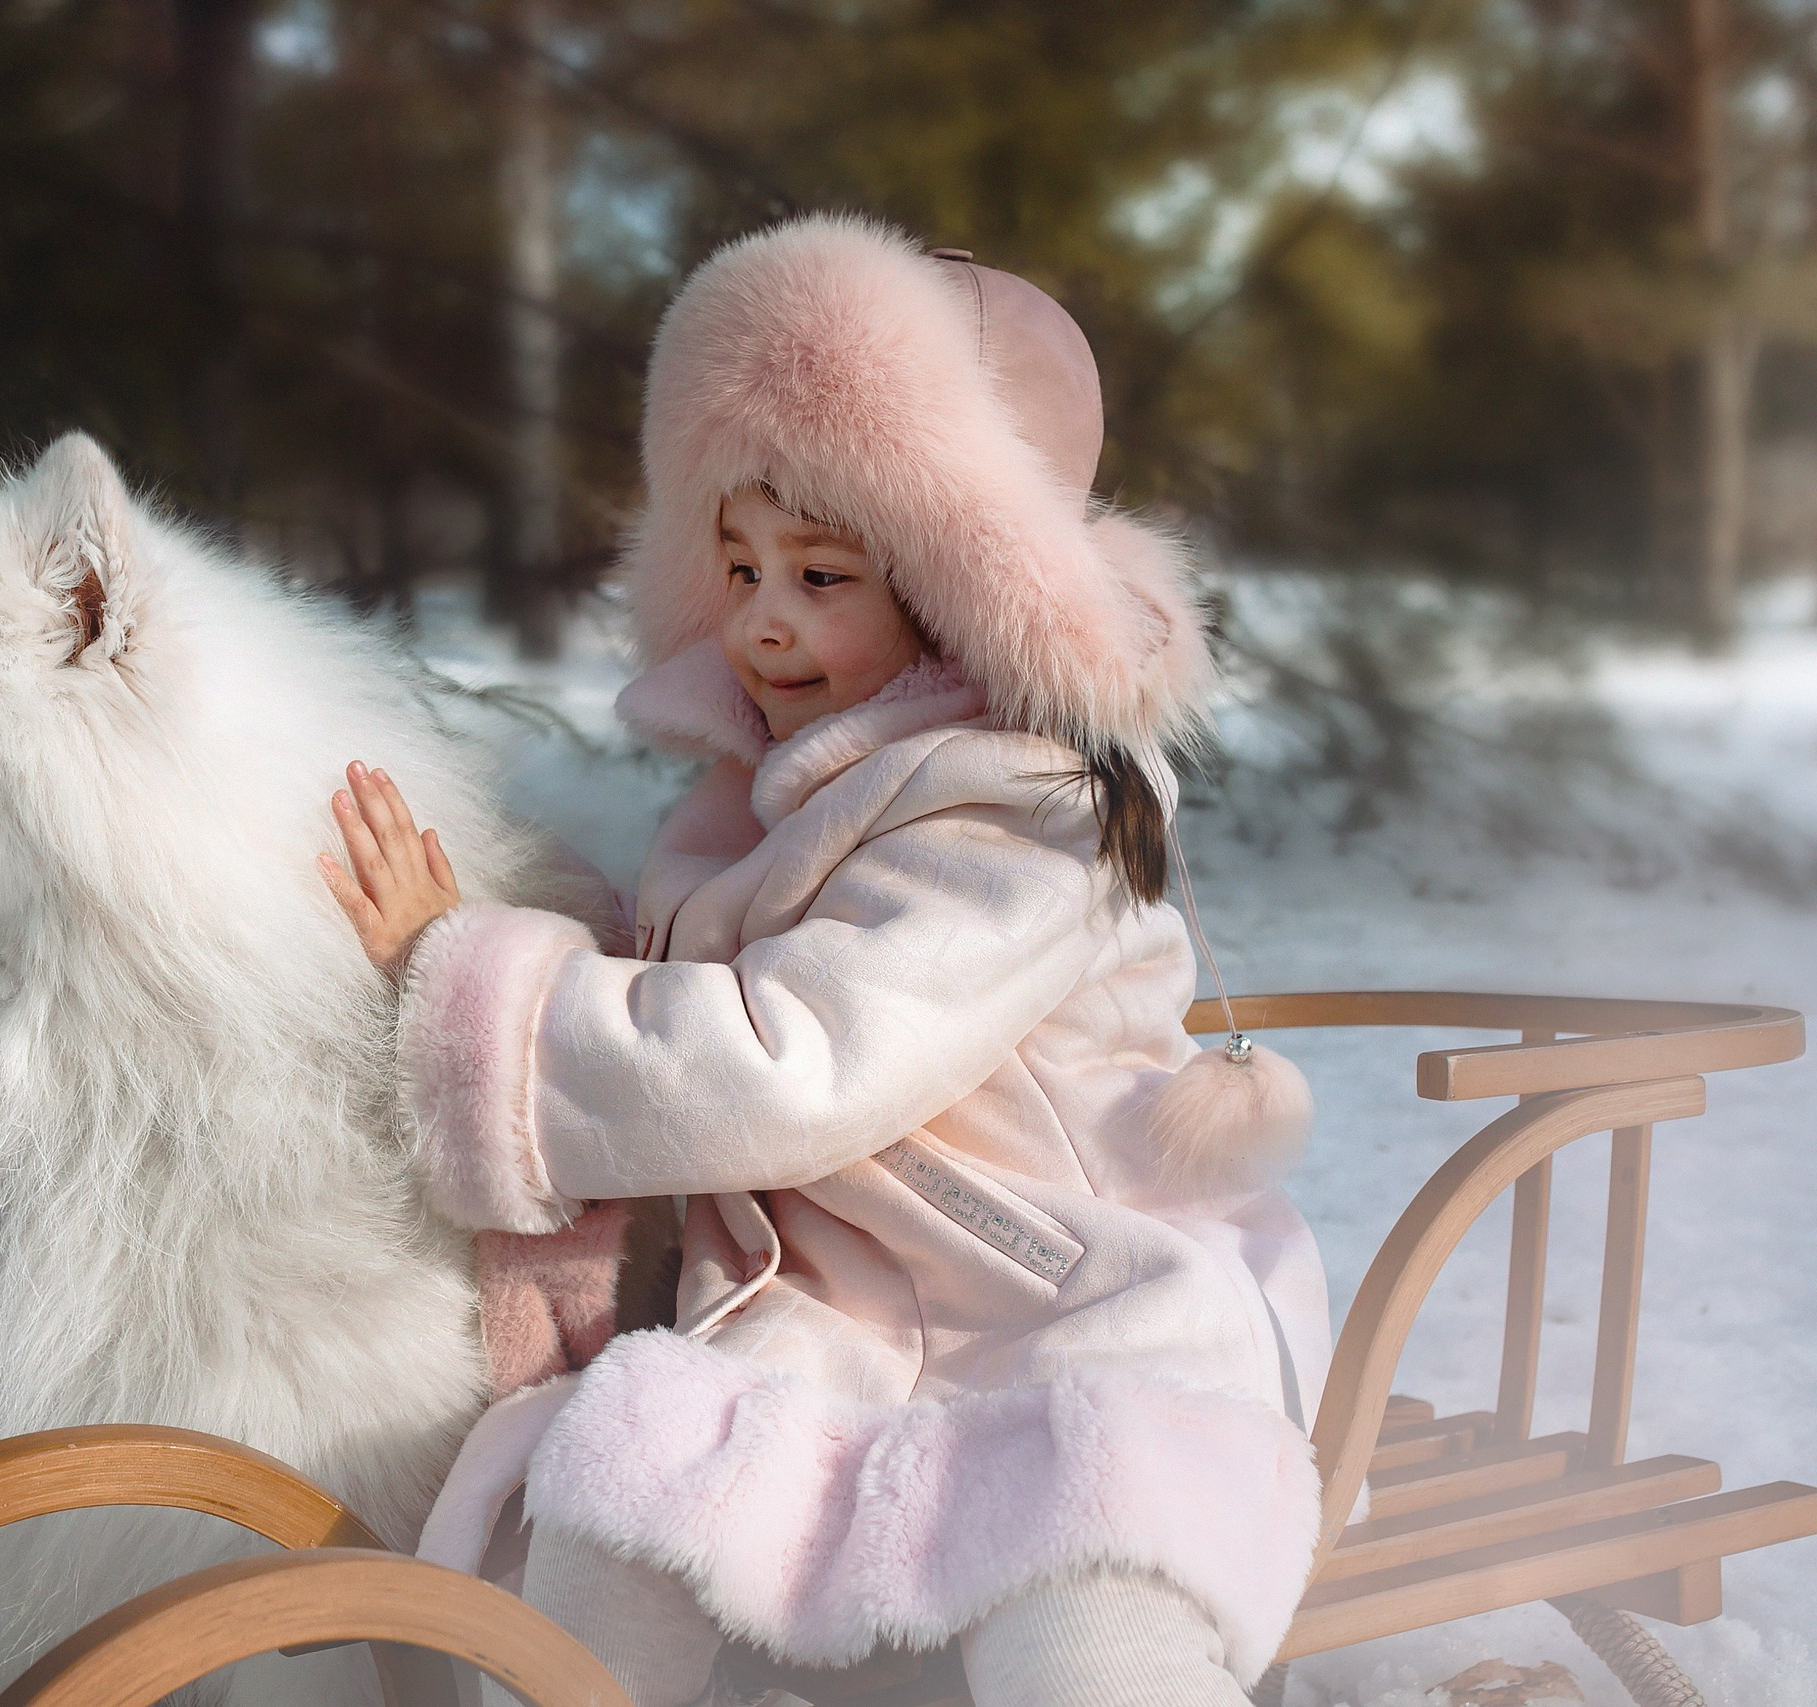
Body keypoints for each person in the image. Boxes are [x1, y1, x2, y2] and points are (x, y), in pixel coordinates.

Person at [319, 213, 1329, 1707]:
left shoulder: (1021, 810)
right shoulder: (759, 804)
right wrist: (537, 935)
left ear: (954, 589)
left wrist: (481, 989)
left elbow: (800, 1058)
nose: (767, 623)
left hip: (1057, 1308)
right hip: (831, 1320)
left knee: (1092, 1608)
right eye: (738, 569)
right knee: (617, 1521)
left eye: (823, 576)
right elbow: (685, 989)